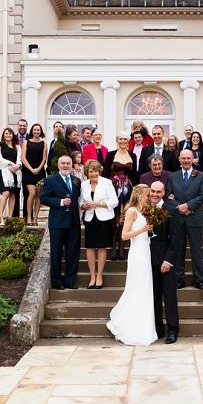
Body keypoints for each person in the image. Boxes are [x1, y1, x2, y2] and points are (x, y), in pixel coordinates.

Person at [105, 184, 158, 345]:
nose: (149, 197)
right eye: (147, 194)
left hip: (146, 250)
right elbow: (124, 235)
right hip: (137, 251)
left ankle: (145, 326)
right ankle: (126, 323)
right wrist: (143, 229)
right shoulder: (131, 211)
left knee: (145, 288)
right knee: (137, 286)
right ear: (140, 195)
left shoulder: (145, 211)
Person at [168, 150, 203, 291]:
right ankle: (179, 280)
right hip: (177, 219)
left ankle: (199, 280)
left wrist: (188, 206)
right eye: (183, 158)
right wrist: (179, 206)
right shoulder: (173, 177)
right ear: (179, 160)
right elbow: (169, 196)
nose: (185, 160)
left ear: (193, 160)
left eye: (188, 158)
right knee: (178, 251)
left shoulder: (201, 176)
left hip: (194, 218)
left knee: (196, 251)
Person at [40, 155, 82, 290]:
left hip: (74, 223)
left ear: (71, 165)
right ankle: (57, 281)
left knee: (73, 253)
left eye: (68, 163)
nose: (65, 166)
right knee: (56, 253)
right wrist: (60, 202)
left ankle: (70, 280)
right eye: (63, 163)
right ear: (58, 165)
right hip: (57, 223)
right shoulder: (50, 180)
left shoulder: (76, 181)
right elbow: (44, 199)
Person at [148, 181, 180, 343]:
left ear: (164, 192)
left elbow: (177, 240)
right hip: (148, 260)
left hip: (166, 261)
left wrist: (168, 261)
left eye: (158, 192)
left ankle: (173, 330)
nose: (155, 194)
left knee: (169, 296)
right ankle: (157, 328)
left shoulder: (171, 210)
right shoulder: (144, 209)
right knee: (153, 296)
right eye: (152, 191)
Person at [79, 160, 118, 290]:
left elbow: (115, 201)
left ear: (99, 171)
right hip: (90, 219)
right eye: (91, 171)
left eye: (95, 171)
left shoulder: (106, 182)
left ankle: (99, 276)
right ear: (87, 173)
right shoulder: (83, 185)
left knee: (101, 247)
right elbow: (80, 202)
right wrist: (83, 206)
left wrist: (99, 204)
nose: (93, 173)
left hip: (104, 218)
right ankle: (92, 277)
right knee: (90, 247)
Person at [103, 132, 138, 260]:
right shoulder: (111, 154)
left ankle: (122, 246)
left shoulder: (133, 155)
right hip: (113, 189)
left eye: (125, 139)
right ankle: (113, 245)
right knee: (114, 216)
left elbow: (134, 175)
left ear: (128, 141)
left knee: (125, 215)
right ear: (117, 140)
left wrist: (137, 190)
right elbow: (106, 173)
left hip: (127, 190)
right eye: (121, 139)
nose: (123, 141)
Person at [21, 123, 47, 225]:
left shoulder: (44, 143)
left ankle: (35, 218)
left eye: (38, 130)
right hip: (28, 171)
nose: (36, 131)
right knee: (32, 193)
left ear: (41, 131)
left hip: (40, 172)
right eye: (35, 130)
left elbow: (44, 158)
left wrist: (39, 168)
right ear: (32, 131)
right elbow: (23, 157)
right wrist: (31, 169)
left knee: (38, 195)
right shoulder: (26, 142)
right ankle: (28, 216)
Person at [0, 127, 22, 221]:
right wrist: (10, 163)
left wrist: (17, 166)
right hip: (3, 171)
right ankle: (0, 217)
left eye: (10, 133)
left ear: (13, 135)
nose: (8, 135)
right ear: (3, 135)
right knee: (5, 193)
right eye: (6, 133)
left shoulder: (17, 146)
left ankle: (10, 217)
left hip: (15, 172)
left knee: (13, 194)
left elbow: (20, 159)